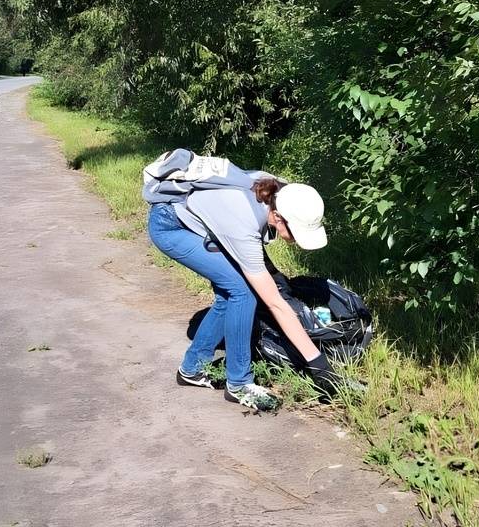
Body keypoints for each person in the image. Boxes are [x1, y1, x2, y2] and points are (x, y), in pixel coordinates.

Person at [146, 152, 341, 411]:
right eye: (296, 232)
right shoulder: (244, 219)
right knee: (242, 292)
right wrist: (318, 363)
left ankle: (192, 369)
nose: (295, 240)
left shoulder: (277, 190)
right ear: (279, 218)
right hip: (170, 226)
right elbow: (275, 303)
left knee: (232, 291)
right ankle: (238, 383)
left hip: (201, 220)